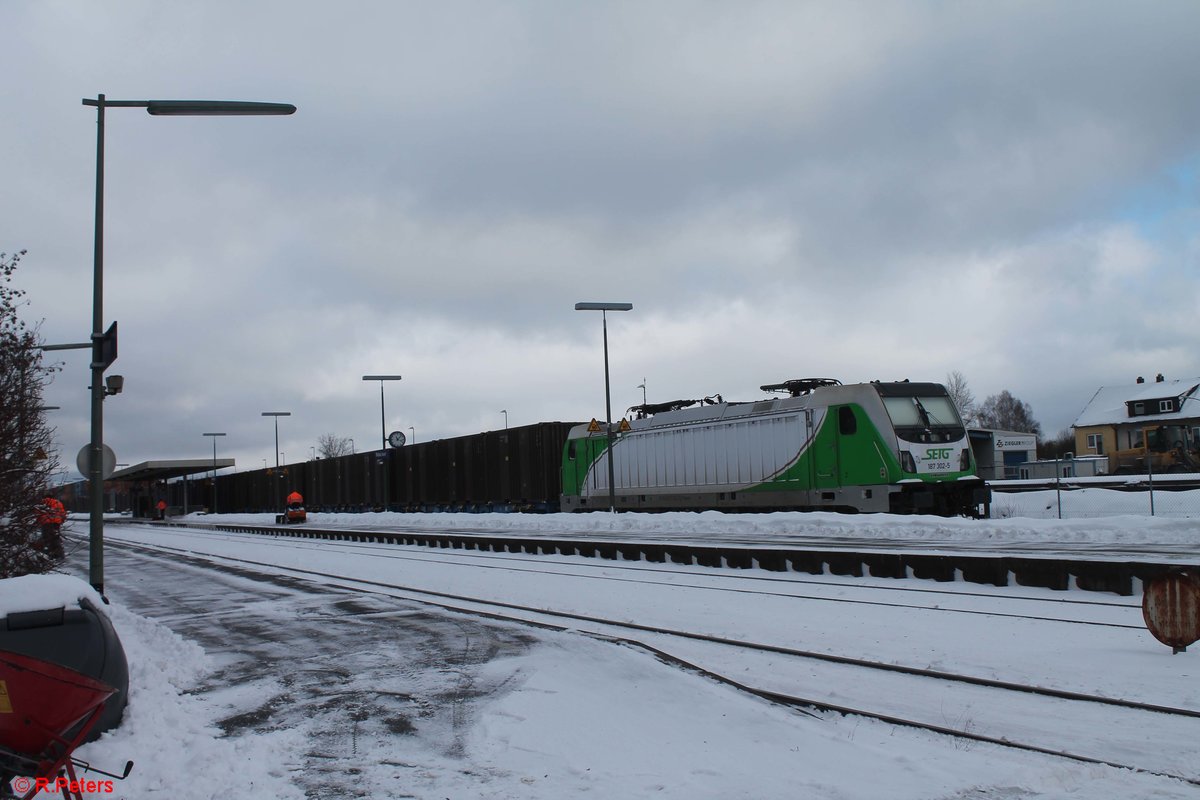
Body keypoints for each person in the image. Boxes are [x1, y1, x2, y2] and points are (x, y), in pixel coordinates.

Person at [36, 495, 66, 560]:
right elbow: (63, 513)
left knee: (47, 538)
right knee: (55, 537)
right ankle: (59, 554)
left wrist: (38, 521)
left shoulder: (44, 501)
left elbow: (38, 512)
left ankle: (49, 554)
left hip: (46, 523)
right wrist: (61, 520)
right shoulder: (58, 503)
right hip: (56, 523)